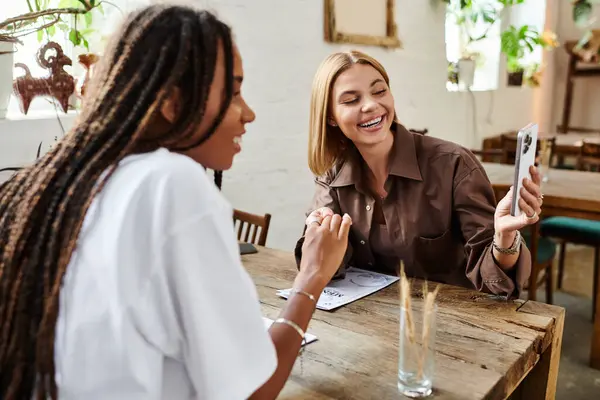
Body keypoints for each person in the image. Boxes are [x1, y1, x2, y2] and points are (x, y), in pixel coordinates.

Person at [0, 6, 351, 400]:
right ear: (170, 102)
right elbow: (254, 390)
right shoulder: (170, 183)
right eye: (233, 91)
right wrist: (312, 278)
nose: (248, 113)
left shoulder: (64, 180)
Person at [295, 50, 543, 299]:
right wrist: (320, 237)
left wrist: (504, 238)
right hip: (367, 323)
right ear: (330, 118)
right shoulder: (333, 175)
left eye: (379, 91)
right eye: (351, 100)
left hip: (449, 323)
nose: (371, 105)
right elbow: (321, 270)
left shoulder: (454, 165)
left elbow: (497, 284)